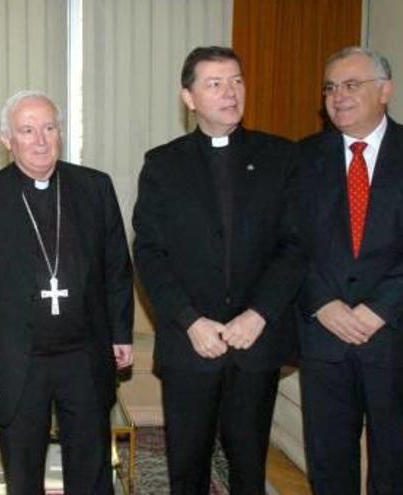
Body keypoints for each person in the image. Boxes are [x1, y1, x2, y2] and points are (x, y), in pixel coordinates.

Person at [132, 46, 304, 494]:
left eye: (237, 81)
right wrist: (189, 321)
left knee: (249, 467)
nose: (230, 92)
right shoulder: (162, 164)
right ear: (188, 98)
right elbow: (149, 254)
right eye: (214, 83)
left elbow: (296, 246)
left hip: (256, 342)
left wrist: (259, 314)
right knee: (186, 465)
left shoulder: (280, 157)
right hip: (192, 343)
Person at [0, 90, 133, 494]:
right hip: (17, 359)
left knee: (91, 468)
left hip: (84, 354)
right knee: (23, 472)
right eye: (27, 130)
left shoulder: (94, 188)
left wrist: (121, 332)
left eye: (49, 127)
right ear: (6, 140)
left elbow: (117, 268)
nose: (40, 140)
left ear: (60, 131)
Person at [297, 46, 403, 494]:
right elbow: (287, 243)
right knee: (328, 461)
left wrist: (379, 309)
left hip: (394, 335)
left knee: (394, 462)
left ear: (386, 91)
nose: (338, 96)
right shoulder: (300, 158)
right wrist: (322, 303)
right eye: (331, 87)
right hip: (324, 337)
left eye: (351, 84)